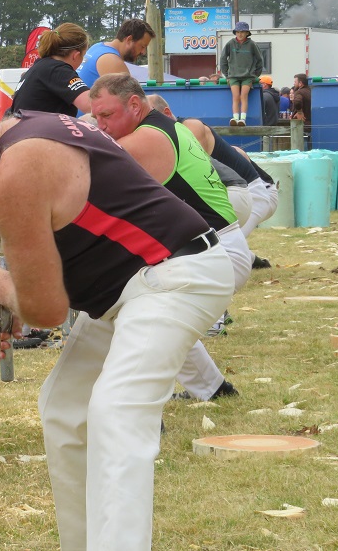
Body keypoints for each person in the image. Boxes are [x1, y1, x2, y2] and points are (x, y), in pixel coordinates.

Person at [0, 107, 234, 551]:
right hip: (130, 288)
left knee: (117, 412)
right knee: (64, 407)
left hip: (175, 274)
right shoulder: (28, 128)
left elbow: (46, 311)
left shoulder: (16, 170)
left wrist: (10, 292)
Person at [89, 76, 246, 404]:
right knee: (159, 315)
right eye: (96, 118)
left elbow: (84, 170)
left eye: (106, 116)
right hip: (220, 244)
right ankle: (213, 389)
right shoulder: (162, 126)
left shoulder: (145, 138)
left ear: (134, 105)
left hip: (215, 249)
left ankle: (135, 404)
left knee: (136, 307)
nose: (100, 126)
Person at [148, 94, 279, 268]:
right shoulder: (176, 132)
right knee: (217, 241)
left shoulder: (189, 127)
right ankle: (253, 261)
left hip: (256, 191)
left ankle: (247, 261)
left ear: (165, 113)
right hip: (242, 189)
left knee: (215, 244)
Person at [10, 22, 91, 117]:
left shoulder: (39, 67)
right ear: (75, 55)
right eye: (83, 56)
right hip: (40, 130)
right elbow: (92, 105)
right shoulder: (58, 70)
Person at [77, 18, 155, 87]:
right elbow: (130, 100)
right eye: (142, 46)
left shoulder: (97, 47)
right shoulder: (112, 61)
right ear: (129, 40)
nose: (143, 52)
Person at [219, 21, 263, 126]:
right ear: (235, 33)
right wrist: (227, 75)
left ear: (247, 33)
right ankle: (235, 118)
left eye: (243, 32)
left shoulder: (252, 44)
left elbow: (260, 59)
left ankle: (242, 119)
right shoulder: (230, 43)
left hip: (248, 76)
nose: (240, 34)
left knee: (244, 96)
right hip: (233, 76)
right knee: (235, 96)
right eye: (238, 32)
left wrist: (255, 75)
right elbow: (223, 59)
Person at [291, 73, 312, 149]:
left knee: (302, 147)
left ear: (300, 83)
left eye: (295, 82)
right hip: (311, 124)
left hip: (302, 124)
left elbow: (297, 102)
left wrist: (299, 112)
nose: (294, 83)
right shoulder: (311, 91)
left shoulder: (299, 92)